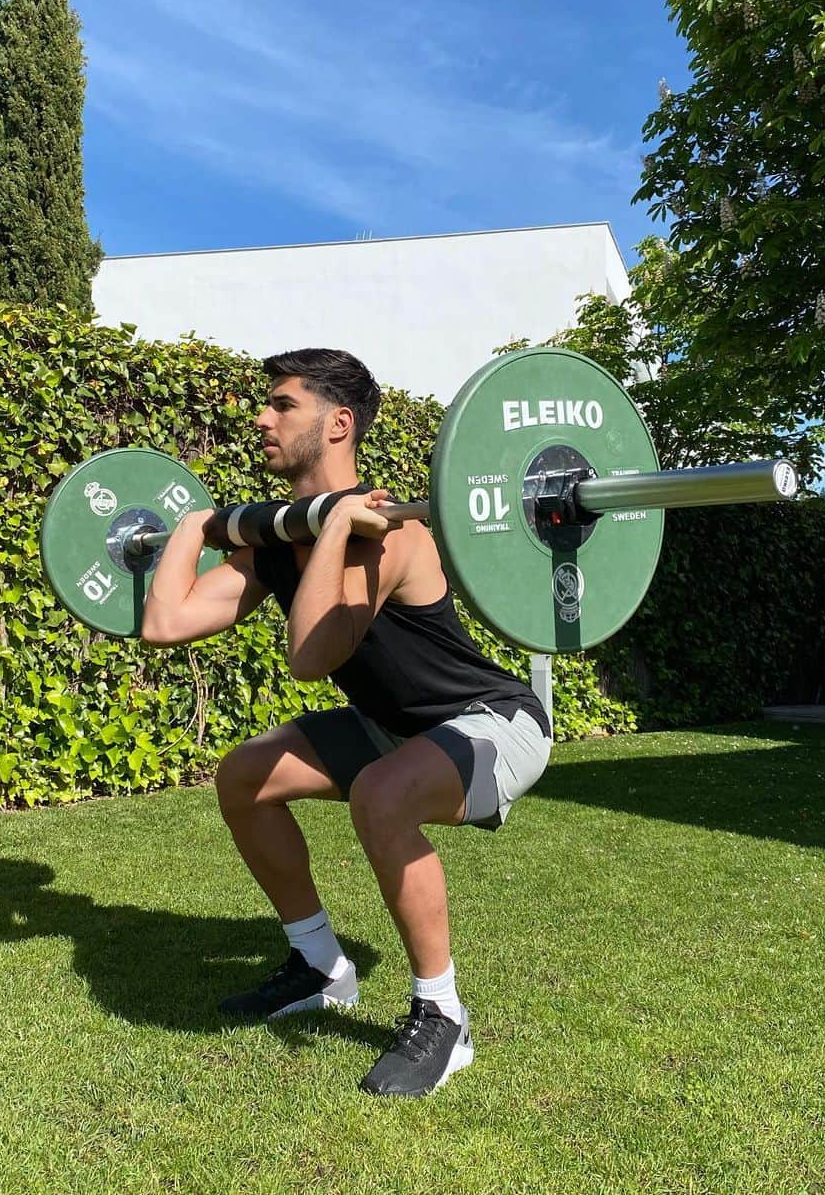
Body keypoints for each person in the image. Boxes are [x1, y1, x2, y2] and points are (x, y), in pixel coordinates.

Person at [141, 348, 552, 1097]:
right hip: (390, 726)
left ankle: (442, 1017)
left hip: (492, 722)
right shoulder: (277, 542)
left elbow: (311, 653)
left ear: (337, 424)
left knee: (382, 796)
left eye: (282, 406)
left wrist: (331, 530)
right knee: (243, 776)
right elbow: (164, 622)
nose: (261, 420)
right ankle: (320, 966)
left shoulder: (391, 534)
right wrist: (195, 526)